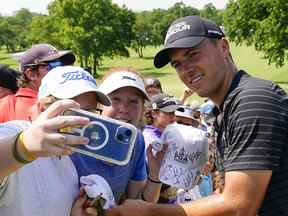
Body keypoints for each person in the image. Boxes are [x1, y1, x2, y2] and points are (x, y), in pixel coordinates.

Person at [106, 15, 288, 216]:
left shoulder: (252, 100)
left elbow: (239, 206)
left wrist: (149, 212)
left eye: (193, 54)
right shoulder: (225, 111)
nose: (186, 70)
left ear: (224, 47)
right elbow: (224, 194)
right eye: (177, 64)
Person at [0, 66, 111, 216]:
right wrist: (22, 146)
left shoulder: (67, 158)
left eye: (89, 113)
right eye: (71, 112)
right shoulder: (14, 132)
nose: (80, 122)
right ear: (41, 108)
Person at [70, 67, 165, 205]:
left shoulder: (136, 140)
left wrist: (156, 176)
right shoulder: (74, 135)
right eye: (115, 99)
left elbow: (137, 204)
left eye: (133, 101)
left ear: (143, 109)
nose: (124, 109)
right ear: (100, 104)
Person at [0, 43, 76, 123]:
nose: (61, 70)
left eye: (63, 65)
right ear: (31, 74)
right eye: (54, 66)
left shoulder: (73, 99)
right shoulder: (6, 106)